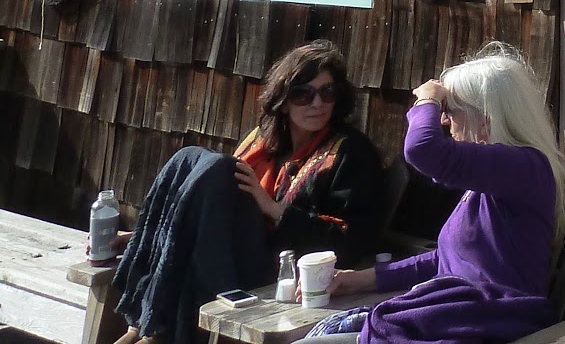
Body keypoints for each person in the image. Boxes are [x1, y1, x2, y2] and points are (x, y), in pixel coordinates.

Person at [109, 40, 385, 344]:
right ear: (283, 99)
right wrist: (144, 236)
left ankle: (151, 327)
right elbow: (210, 208)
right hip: (227, 255)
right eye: (303, 93)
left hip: (280, 273)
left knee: (217, 169)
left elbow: (352, 240)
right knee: (190, 159)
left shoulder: (350, 152)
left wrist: (274, 210)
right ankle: (148, 327)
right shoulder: (263, 141)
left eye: (326, 92)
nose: (317, 103)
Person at [311, 42, 565, 344]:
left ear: (486, 118)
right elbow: (446, 259)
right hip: (464, 318)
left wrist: (427, 100)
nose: (444, 121)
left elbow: (423, 149)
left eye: (450, 111)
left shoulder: (524, 166)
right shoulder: (498, 177)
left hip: (486, 325)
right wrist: (357, 280)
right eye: (442, 111)